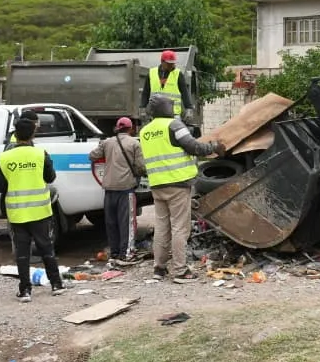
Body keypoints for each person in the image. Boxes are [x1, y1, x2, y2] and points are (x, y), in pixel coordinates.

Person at [141, 94, 224, 283]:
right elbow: (194, 147)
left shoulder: (145, 131)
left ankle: (159, 268)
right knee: (180, 228)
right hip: (177, 184)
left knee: (162, 228)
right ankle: (180, 271)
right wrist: (214, 147)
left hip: (157, 185)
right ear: (167, 108)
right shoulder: (174, 126)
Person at [0, 117, 67, 302]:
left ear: (15, 135)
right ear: (33, 134)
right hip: (40, 211)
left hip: (17, 213)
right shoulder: (41, 154)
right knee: (46, 248)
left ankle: (25, 290)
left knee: (22, 253)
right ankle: (56, 284)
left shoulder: (4, 157)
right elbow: (50, 178)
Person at [88, 116, 147, 267]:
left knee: (111, 222)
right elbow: (141, 167)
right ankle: (126, 254)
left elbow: (92, 156)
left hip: (109, 188)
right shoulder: (134, 143)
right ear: (130, 129)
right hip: (126, 189)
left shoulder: (107, 143)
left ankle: (114, 253)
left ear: (117, 128)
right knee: (126, 223)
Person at [140, 49, 192, 121]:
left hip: (173, 114)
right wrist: (142, 108)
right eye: (169, 63)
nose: (172, 65)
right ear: (162, 62)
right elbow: (146, 92)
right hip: (155, 113)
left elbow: (185, 93)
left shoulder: (178, 74)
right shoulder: (151, 73)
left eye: (173, 63)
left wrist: (189, 108)